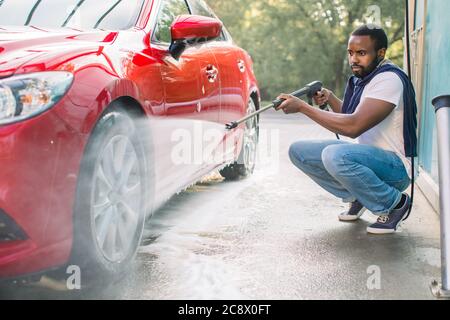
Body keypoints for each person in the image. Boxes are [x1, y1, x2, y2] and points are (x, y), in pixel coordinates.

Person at [276, 24, 417, 234]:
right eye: (350, 53)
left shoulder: (389, 79)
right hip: (373, 161)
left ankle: (394, 204)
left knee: (336, 155)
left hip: (397, 167)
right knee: (298, 151)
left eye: (361, 53)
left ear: (381, 53)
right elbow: (351, 114)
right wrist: (331, 98)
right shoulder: (364, 78)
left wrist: (303, 108)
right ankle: (362, 195)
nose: (354, 60)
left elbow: (353, 127)